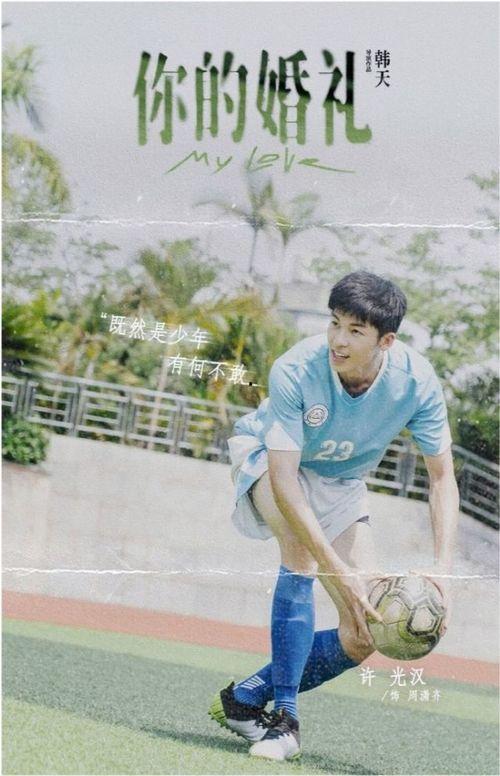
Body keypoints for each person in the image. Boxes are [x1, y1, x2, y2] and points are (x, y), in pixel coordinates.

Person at [208, 271, 459, 761]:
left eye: (355, 331)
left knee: (366, 630)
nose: (338, 340)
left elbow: (441, 478)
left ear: (386, 341)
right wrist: (335, 566)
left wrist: (443, 570)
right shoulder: (296, 369)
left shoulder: (417, 382)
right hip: (270, 462)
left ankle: (245, 698)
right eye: (334, 323)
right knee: (302, 553)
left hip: (343, 484)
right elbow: (285, 478)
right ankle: (284, 722)